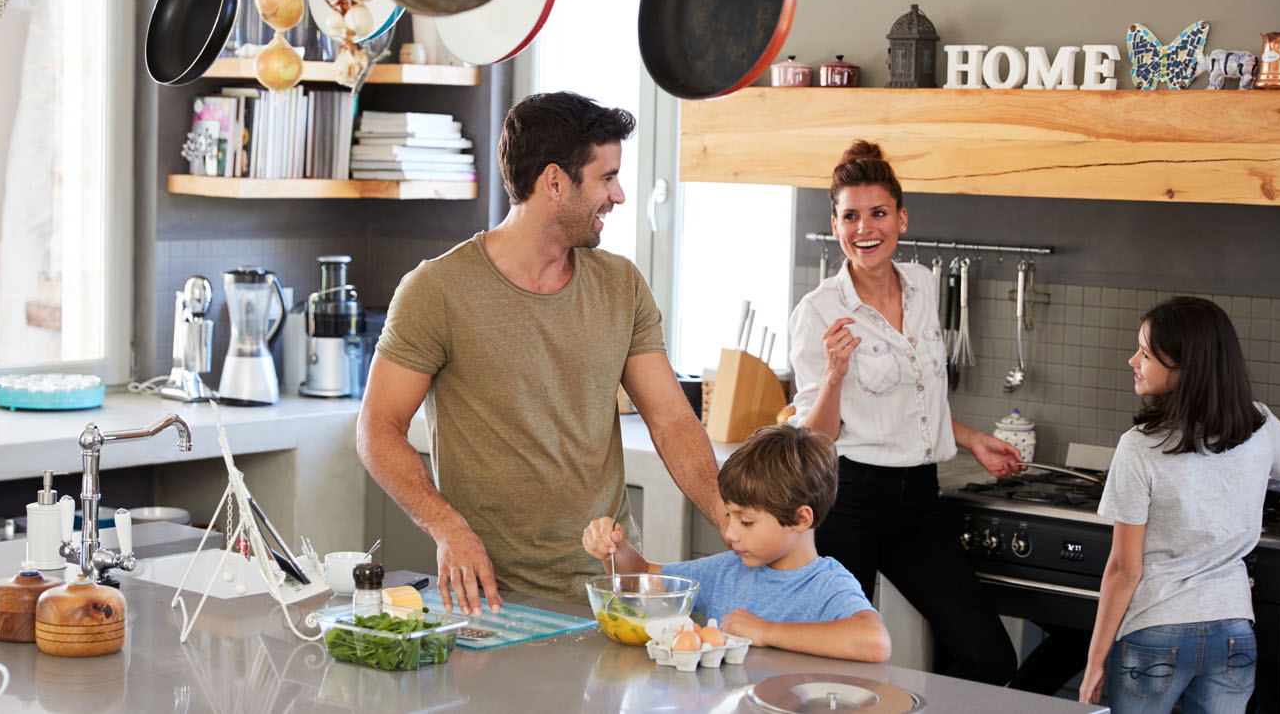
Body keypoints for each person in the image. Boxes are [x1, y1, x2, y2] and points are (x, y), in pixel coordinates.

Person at [357, 91, 725, 616]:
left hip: (607, 593)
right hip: (492, 599)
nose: (619, 195)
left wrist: (724, 514)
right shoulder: (437, 289)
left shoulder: (621, 284)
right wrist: (446, 527)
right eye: (607, 177)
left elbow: (669, 418)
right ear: (554, 182)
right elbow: (377, 427)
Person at [785, 139, 1023, 685]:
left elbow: (916, 398)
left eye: (878, 213)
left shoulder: (922, 283)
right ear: (836, 222)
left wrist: (969, 438)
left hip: (918, 499)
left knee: (990, 656)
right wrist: (836, 374)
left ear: (902, 217)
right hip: (849, 499)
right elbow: (816, 440)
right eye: (850, 216)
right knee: (840, 668)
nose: (864, 229)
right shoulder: (818, 311)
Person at [1078, 297, 1280, 713]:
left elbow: (1125, 569)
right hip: (1232, 632)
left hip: (1154, 632)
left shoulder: (1140, 447)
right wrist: (1262, 419)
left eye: (1146, 353)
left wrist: (1094, 660)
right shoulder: (1258, 425)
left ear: (1184, 369)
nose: (1132, 360)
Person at [583, 423, 891, 662]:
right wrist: (616, 550)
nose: (730, 533)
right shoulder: (726, 570)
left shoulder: (827, 585)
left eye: (747, 522)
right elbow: (644, 579)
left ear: (801, 519)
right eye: (729, 516)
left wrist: (767, 632)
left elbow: (875, 641)